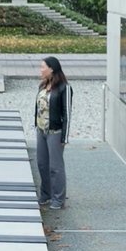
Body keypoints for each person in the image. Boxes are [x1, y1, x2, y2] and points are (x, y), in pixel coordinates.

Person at [34, 56, 72, 210]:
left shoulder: (65, 88)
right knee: (42, 164)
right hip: (41, 129)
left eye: (42, 67)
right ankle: (45, 195)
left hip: (55, 132)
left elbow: (67, 114)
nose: (40, 70)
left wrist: (65, 137)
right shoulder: (43, 85)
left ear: (52, 69)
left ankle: (58, 198)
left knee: (55, 167)